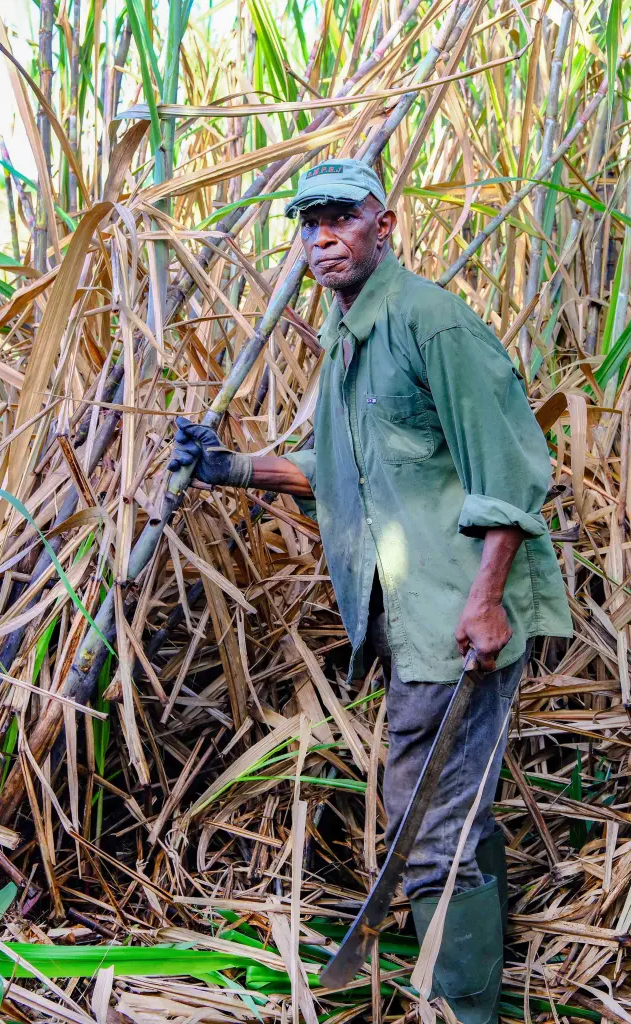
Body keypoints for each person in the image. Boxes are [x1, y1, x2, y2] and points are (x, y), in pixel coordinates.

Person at [169, 159, 572, 1024]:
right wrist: (230, 467)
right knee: (453, 808)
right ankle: (474, 985)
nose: (323, 238)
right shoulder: (349, 335)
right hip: (415, 615)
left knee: (426, 823)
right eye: (309, 224)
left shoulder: (431, 321)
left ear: (383, 226)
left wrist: (488, 599)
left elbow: (509, 473)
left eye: (342, 219)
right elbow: (351, 472)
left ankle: (466, 1013)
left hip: (455, 616)